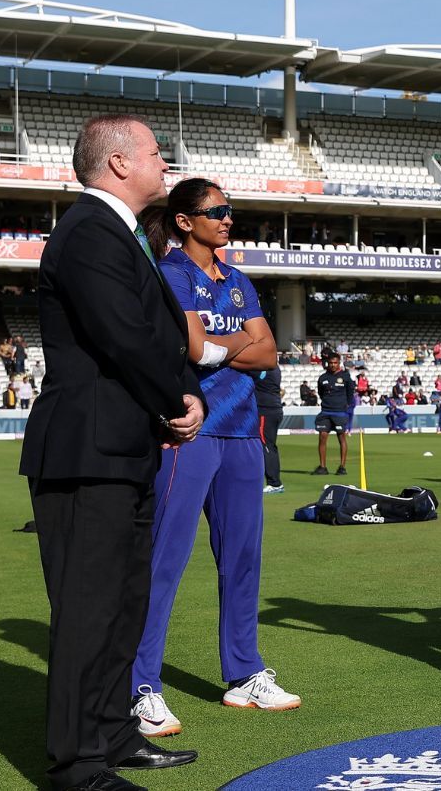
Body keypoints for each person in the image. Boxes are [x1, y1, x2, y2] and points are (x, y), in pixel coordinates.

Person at [18, 114, 203, 791]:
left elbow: (156, 334)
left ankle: (114, 735)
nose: (166, 165)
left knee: (125, 605)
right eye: (157, 154)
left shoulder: (122, 234)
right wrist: (176, 398)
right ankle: (77, 765)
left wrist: (182, 391)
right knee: (88, 609)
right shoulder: (89, 231)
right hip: (86, 451)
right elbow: (124, 335)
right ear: (120, 164)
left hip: (123, 446)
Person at [128, 178, 298, 738]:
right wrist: (233, 350)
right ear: (184, 221)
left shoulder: (238, 279)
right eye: (216, 211)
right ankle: (140, 686)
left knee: (243, 561)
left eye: (230, 211)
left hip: (244, 434)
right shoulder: (170, 273)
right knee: (164, 563)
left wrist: (223, 352)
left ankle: (245, 673)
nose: (227, 219)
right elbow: (194, 350)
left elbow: (270, 351)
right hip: (189, 437)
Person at [314, 353, 352, 476]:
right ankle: (323, 467)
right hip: (325, 411)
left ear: (339, 363)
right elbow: (320, 393)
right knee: (322, 437)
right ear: (328, 363)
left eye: (335, 363)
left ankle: (342, 467)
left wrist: (345, 405)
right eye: (331, 363)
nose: (333, 365)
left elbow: (350, 393)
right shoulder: (322, 378)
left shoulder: (345, 377)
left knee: (341, 438)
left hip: (340, 412)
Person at [255, 367, 285, 495]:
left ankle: (275, 483)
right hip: (272, 409)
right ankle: (273, 482)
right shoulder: (274, 368)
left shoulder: (263, 369)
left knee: (266, 446)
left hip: (266, 411)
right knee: (268, 446)